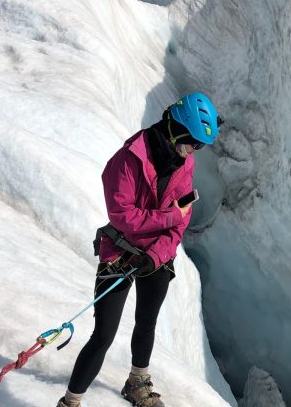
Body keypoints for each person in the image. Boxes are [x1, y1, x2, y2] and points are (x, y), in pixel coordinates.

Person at [57, 92, 222, 407]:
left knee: (147, 323)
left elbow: (179, 227)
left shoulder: (183, 163)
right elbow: (125, 218)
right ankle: (70, 402)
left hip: (154, 256)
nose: (193, 152)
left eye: (198, 147)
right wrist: (171, 215)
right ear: (176, 130)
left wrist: (156, 255)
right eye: (191, 143)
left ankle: (137, 383)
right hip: (119, 253)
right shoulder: (129, 159)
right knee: (103, 334)